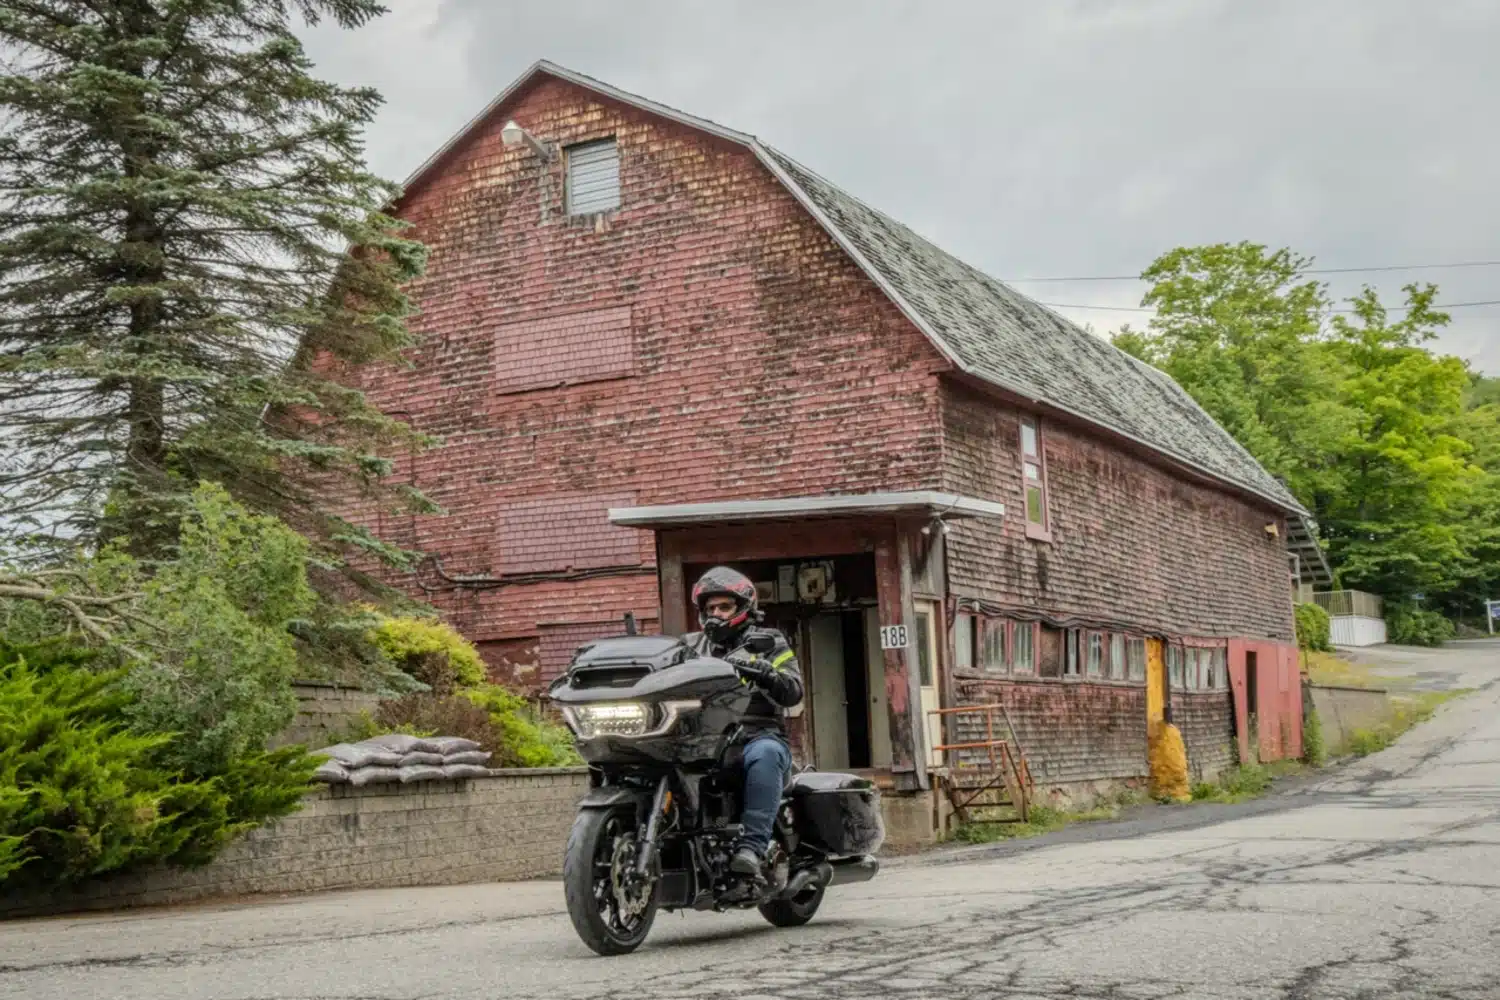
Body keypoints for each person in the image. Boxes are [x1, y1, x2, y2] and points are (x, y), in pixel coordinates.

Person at [682, 566, 804, 878]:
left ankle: (752, 847)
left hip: (755, 734)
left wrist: (767, 673)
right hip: (706, 739)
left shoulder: (768, 641)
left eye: (725, 607)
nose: (716, 614)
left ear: (743, 608)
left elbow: (793, 691)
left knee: (765, 754)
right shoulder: (690, 648)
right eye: (710, 608)